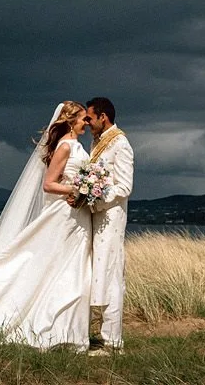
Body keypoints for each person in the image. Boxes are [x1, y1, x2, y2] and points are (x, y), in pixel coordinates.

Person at [0, 101, 94, 350]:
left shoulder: (78, 146)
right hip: (63, 213)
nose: (86, 124)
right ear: (70, 121)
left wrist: (88, 190)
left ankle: (68, 330)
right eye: (82, 119)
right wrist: (79, 189)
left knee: (73, 268)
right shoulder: (65, 146)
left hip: (78, 216)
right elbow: (49, 184)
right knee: (49, 265)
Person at [84, 96, 133, 354]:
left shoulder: (120, 144)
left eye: (90, 118)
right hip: (95, 216)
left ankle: (113, 341)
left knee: (111, 274)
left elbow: (125, 186)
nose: (87, 123)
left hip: (111, 218)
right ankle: (101, 335)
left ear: (103, 116)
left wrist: (98, 195)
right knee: (99, 273)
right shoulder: (97, 142)